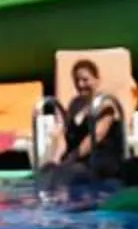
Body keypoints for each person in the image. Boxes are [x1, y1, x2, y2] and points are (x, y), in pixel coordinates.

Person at [38, 58, 129, 192]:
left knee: (71, 173)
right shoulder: (75, 104)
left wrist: (71, 159)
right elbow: (64, 135)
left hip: (101, 158)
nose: (81, 84)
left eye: (85, 80)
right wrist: (56, 159)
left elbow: (96, 137)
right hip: (77, 158)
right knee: (47, 172)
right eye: (77, 80)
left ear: (97, 80)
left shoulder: (105, 104)